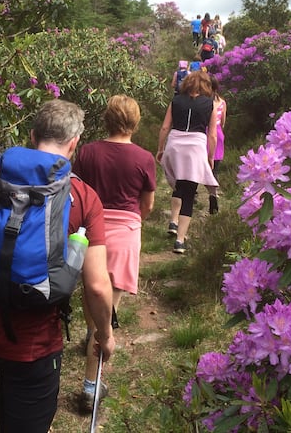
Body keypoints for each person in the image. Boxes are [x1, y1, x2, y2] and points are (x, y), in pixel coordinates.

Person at [0, 100, 116, 433]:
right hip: (34, 348)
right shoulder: (84, 197)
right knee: (23, 394)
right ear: (74, 142)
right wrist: (104, 336)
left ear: (33, 135)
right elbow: (96, 285)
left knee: (9, 385)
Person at [72, 95, 156, 413]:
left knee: (91, 294)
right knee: (106, 318)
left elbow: (76, 193)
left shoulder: (88, 152)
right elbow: (146, 205)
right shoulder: (144, 158)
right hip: (124, 236)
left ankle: (90, 338)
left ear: (106, 119)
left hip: (89, 233)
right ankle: (92, 387)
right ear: (134, 122)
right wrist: (132, 223)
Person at [155, 71, 219, 253]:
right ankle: (180, 240)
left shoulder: (176, 101)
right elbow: (212, 134)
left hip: (175, 144)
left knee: (178, 186)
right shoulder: (210, 104)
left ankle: (173, 221)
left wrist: (160, 148)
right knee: (189, 192)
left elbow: (165, 126)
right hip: (195, 147)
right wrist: (210, 156)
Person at [209, 74, 227, 213]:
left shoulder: (203, 102)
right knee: (214, 170)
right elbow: (222, 123)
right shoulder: (222, 102)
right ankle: (213, 194)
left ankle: (195, 195)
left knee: (201, 167)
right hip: (218, 135)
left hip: (205, 135)